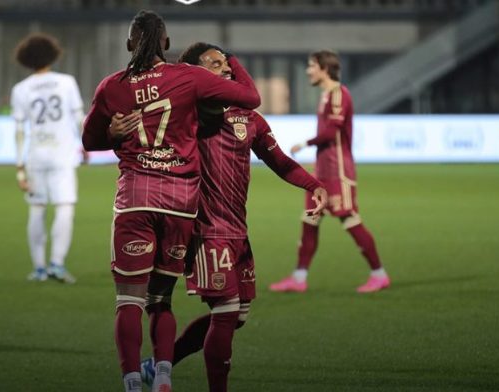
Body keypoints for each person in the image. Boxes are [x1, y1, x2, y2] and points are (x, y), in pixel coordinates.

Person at [131, 43, 327, 392]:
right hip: (205, 230)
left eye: (226, 64)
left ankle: (159, 364)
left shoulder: (246, 116)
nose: (225, 70)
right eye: (215, 64)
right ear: (193, 73)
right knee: (226, 312)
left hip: (238, 229)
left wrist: (313, 185)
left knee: (237, 316)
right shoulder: (188, 114)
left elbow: (278, 159)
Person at [82, 11, 260, 392]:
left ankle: (132, 381)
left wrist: (114, 134)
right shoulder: (189, 77)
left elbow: (89, 141)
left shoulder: (112, 87)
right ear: (166, 44)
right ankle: (163, 374)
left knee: (129, 299)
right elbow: (251, 97)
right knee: (161, 297)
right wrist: (231, 60)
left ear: (130, 44)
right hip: (180, 201)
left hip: (135, 198)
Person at [269, 50, 390, 294]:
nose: (308, 70)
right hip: (323, 172)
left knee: (349, 218)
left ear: (324, 68)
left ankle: (379, 274)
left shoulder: (338, 94)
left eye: (312, 66)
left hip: (339, 172)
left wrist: (305, 144)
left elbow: (332, 131)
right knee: (310, 220)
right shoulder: (326, 95)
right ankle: (299, 278)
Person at [10, 33, 85, 284]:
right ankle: (57, 264)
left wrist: (20, 169)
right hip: (62, 154)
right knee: (64, 208)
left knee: (37, 208)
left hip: (36, 156)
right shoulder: (66, 82)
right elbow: (78, 119)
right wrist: (86, 145)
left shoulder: (20, 89)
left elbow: (20, 131)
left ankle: (39, 268)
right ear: (52, 55)